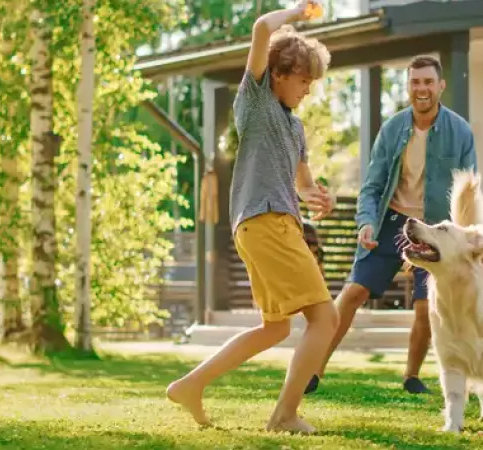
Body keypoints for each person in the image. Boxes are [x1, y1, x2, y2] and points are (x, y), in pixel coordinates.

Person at [165, 0, 339, 434]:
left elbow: (303, 183)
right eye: (303, 80)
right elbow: (263, 27)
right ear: (279, 74)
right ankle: (284, 415)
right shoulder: (256, 101)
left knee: (276, 328)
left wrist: (319, 197)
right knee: (326, 318)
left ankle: (191, 384)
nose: (307, 90)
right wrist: (297, 13)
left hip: (266, 224)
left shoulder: (295, 128)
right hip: (268, 222)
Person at [307, 54, 477, 395]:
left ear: (440, 86)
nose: (422, 89)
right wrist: (366, 223)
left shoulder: (461, 132)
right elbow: (371, 186)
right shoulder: (393, 129)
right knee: (353, 293)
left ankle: (411, 376)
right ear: (408, 87)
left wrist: (466, 240)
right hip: (392, 221)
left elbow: (468, 194)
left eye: (428, 82)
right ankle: (313, 370)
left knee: (428, 306)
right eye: (415, 82)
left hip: (433, 229)